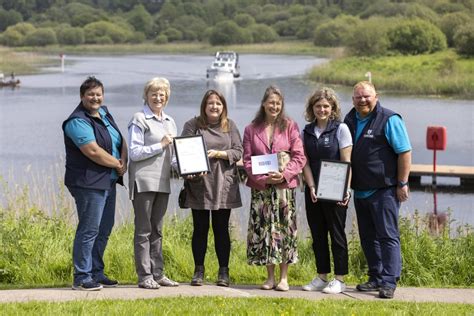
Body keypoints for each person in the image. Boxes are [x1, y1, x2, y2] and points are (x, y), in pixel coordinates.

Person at [344, 81, 411, 299]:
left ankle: (389, 282)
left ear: (376, 96)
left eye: (366, 96)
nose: (362, 100)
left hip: (385, 190)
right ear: (352, 99)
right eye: (358, 97)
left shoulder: (390, 119)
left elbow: (404, 152)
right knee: (367, 237)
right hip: (360, 190)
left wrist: (402, 183)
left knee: (388, 236)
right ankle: (376, 276)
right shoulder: (349, 119)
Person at [62, 76, 127, 291]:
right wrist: (118, 165)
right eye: (90, 94)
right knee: (89, 230)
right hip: (87, 183)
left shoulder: (105, 113)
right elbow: (92, 151)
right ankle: (81, 277)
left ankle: (97, 273)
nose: (95, 98)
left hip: (107, 181)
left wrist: (123, 160)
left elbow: (119, 139)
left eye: (98, 94)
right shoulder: (77, 121)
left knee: (104, 229)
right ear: (82, 96)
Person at [243, 85, 306, 292]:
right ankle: (269, 277)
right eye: (271, 102)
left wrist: (285, 174)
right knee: (265, 231)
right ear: (263, 104)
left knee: (283, 230)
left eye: (278, 103)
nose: (275, 106)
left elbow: (299, 157)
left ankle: (284, 278)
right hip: (261, 190)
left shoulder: (290, 126)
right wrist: (263, 178)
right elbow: (247, 160)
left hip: (284, 189)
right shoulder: (251, 129)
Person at [181, 89, 243, 287]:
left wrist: (219, 154)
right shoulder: (192, 125)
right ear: (204, 106)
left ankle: (223, 272)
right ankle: (198, 271)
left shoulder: (230, 125)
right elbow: (183, 150)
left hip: (223, 183)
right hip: (200, 184)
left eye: (218, 103)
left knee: (221, 229)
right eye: (211, 103)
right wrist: (189, 170)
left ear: (223, 106)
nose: (214, 106)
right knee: (200, 229)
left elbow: (238, 151)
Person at [128, 77, 179, 289]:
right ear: (146, 96)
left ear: (166, 98)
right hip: (144, 180)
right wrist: (160, 145)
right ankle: (144, 276)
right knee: (143, 230)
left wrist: (187, 169)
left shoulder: (170, 122)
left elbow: (173, 157)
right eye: (154, 94)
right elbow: (134, 152)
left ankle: (158, 274)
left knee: (158, 230)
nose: (158, 98)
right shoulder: (139, 119)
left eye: (162, 94)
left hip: (163, 181)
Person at [301, 87, 352, 294]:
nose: (321, 109)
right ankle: (322, 276)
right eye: (317, 106)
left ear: (332, 108)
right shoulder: (305, 131)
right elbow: (304, 162)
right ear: (311, 108)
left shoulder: (341, 129)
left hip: (335, 190)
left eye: (325, 106)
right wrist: (311, 186)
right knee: (318, 234)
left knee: (337, 234)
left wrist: (346, 190)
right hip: (313, 190)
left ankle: (339, 279)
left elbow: (346, 161)